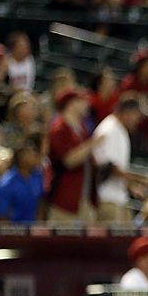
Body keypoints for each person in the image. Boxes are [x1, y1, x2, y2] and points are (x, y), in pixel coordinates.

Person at [46, 87, 100, 223]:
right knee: (63, 240)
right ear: (71, 103)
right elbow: (69, 160)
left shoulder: (82, 128)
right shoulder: (60, 128)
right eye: (82, 101)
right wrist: (93, 143)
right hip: (64, 198)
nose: (87, 104)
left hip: (84, 197)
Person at [92, 97, 146, 224]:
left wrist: (131, 185)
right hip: (108, 198)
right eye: (136, 115)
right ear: (127, 112)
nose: (137, 120)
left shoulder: (119, 128)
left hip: (119, 198)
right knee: (111, 243)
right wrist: (144, 181)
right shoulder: (109, 129)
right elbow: (110, 168)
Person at [0, 139, 44, 223]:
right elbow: (1, 214)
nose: (36, 157)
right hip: (15, 230)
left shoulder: (38, 176)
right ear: (21, 157)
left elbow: (41, 201)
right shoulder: (7, 182)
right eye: (31, 154)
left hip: (33, 229)